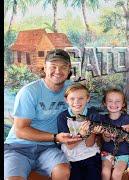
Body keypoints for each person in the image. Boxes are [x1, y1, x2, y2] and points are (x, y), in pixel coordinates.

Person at [4, 49, 83, 180]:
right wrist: (55, 137)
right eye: (53, 66)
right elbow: (20, 130)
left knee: (63, 171)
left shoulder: (72, 91)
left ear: (69, 69)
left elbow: (85, 116)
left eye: (63, 67)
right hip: (18, 147)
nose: (58, 71)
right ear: (45, 68)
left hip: (48, 149)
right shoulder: (29, 92)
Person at [57, 83, 102, 180]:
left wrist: (91, 132)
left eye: (81, 98)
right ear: (66, 100)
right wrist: (82, 134)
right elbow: (70, 145)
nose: (76, 102)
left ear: (88, 98)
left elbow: (90, 144)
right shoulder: (62, 117)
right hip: (70, 158)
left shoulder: (93, 115)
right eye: (72, 99)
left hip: (90, 155)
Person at [99, 88, 129, 180]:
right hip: (107, 152)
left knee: (117, 174)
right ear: (105, 103)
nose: (114, 104)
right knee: (105, 172)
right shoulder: (103, 119)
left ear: (123, 104)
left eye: (118, 101)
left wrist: (118, 136)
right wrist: (107, 135)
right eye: (110, 101)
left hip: (123, 153)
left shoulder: (126, 118)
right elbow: (106, 140)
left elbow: (123, 138)